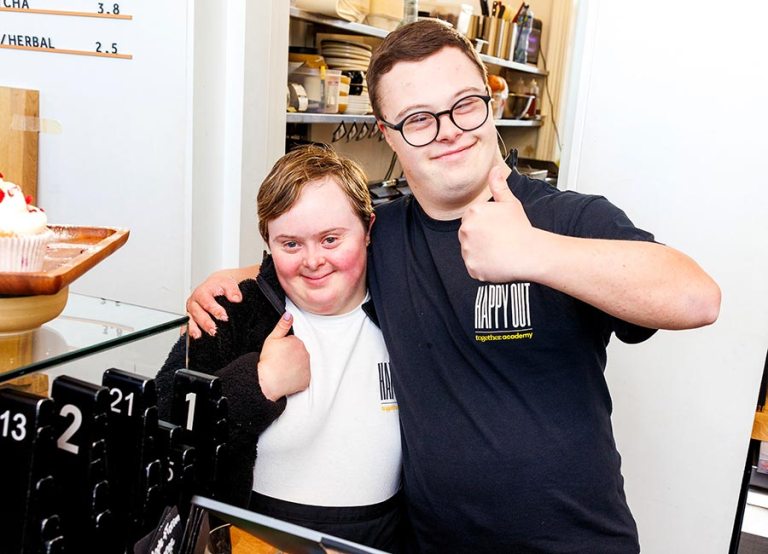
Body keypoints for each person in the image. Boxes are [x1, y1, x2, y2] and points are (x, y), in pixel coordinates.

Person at [185, 20, 721, 553]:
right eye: (418, 118)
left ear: (490, 102)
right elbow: (318, 257)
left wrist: (535, 252)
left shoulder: (566, 218)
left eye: (464, 104)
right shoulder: (385, 236)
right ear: (386, 132)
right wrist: (235, 279)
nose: (447, 130)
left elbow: (696, 297)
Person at [156, 145, 403, 551]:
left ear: (368, 229)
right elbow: (162, 426)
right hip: (252, 537)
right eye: (290, 244)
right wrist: (258, 384)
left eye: (331, 239)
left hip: (382, 538)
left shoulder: (404, 305)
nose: (313, 261)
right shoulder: (232, 311)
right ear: (268, 243)